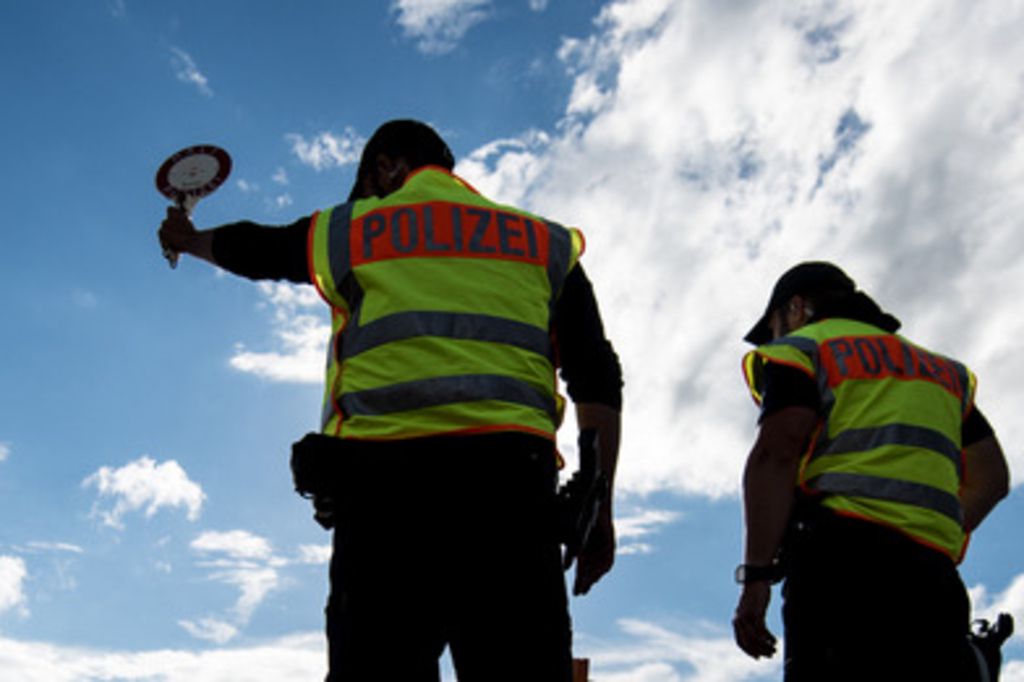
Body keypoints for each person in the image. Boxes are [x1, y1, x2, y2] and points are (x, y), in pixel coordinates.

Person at [158, 119, 622, 682]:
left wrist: (188, 240)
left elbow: (261, 248)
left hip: (383, 503)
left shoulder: (352, 230)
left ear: (386, 165)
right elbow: (597, 377)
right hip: (511, 501)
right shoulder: (542, 242)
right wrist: (601, 507)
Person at [731, 261, 1010, 681]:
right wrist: (926, 526)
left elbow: (777, 454)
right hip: (933, 577)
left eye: (774, 325)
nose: (776, 337)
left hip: (841, 568)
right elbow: (992, 477)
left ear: (797, 308)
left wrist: (755, 578)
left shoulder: (806, 349)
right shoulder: (939, 371)